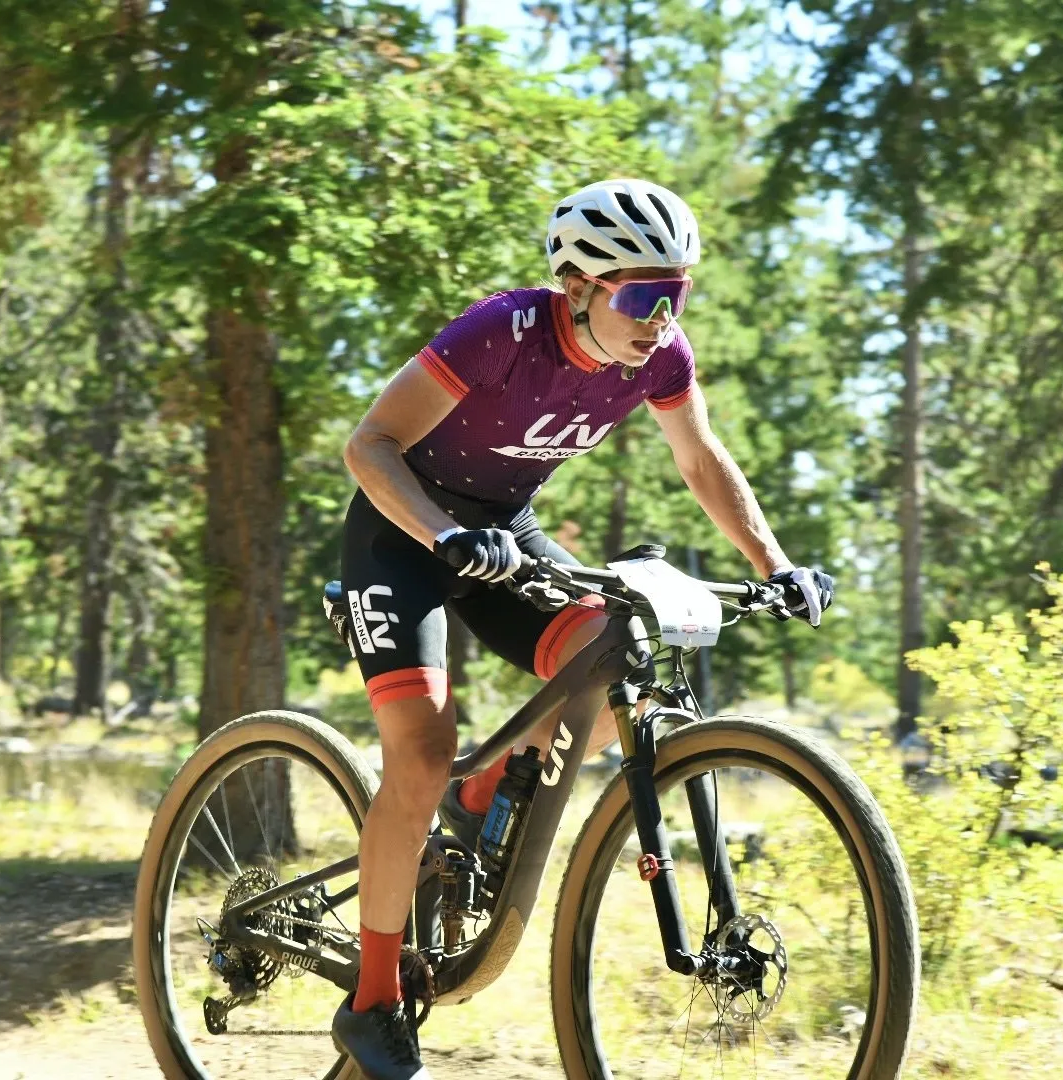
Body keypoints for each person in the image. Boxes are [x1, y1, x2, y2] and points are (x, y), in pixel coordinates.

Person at [331, 178, 834, 1079]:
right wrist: (444, 536)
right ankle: (373, 1000)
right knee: (417, 751)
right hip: (405, 532)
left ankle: (482, 794)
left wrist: (775, 566)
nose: (660, 317)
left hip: (503, 533)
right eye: (642, 295)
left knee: (614, 658)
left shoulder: (659, 356)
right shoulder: (503, 332)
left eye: (675, 294)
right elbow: (368, 445)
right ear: (579, 288)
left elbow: (700, 458)